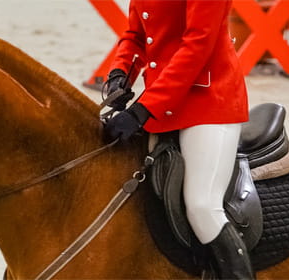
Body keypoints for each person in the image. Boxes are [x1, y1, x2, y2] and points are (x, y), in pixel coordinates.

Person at [102, 0, 253, 279]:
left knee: (202, 205)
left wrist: (142, 110)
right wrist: (120, 73)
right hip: (162, 100)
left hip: (209, 102)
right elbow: (136, 34)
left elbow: (198, 44)